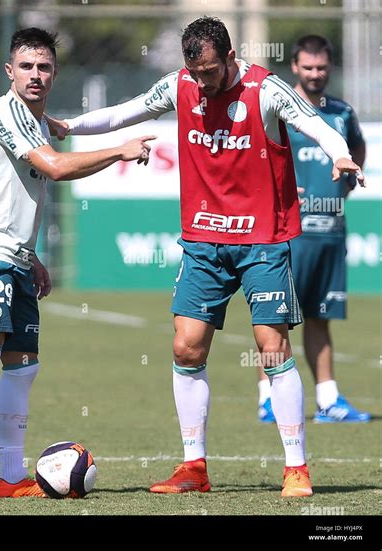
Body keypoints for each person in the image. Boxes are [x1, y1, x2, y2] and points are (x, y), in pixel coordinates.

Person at [50, 17, 364, 497]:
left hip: (262, 239)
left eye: (211, 72)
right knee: (186, 347)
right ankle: (194, 467)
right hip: (203, 240)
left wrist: (339, 153)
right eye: (196, 72)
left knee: (271, 345)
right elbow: (124, 113)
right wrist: (69, 126)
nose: (202, 82)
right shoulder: (180, 87)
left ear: (231, 58)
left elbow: (314, 125)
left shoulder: (267, 90)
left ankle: (295, 468)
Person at [0, 27, 154, 502]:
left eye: (44, 67)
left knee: (22, 368)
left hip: (15, 259)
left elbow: (35, 181)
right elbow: (53, 168)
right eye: (26, 66)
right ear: (9, 72)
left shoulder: (37, 118)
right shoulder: (7, 112)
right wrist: (120, 149)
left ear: (54, 73)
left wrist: (30, 258)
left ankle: (11, 478)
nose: (35, 74)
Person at [256, 35, 371, 424]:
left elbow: (357, 148)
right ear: (294, 67)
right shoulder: (281, 109)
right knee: (275, 316)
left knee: (321, 317)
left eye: (321, 67)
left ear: (330, 68)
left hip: (330, 232)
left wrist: (345, 185)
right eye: (308, 67)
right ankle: (268, 397)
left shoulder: (342, 112)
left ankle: (328, 400)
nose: (315, 74)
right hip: (285, 232)